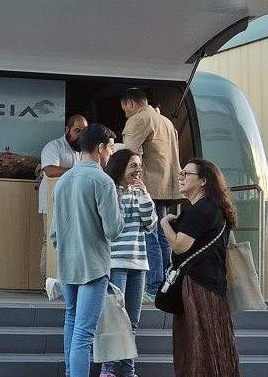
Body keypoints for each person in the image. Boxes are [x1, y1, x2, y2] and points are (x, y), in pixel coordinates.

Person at [50, 123, 124, 377]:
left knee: (71, 323)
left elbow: (54, 233)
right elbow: (113, 229)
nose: (111, 154)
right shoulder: (103, 181)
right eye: (111, 148)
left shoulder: (63, 181)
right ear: (100, 147)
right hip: (93, 265)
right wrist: (121, 208)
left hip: (68, 264)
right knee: (84, 332)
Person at [160, 159, 241, 376]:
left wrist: (164, 224)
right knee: (214, 344)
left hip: (195, 286)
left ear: (203, 180)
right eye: (181, 174)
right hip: (213, 285)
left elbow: (179, 246)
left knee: (194, 345)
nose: (181, 177)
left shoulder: (199, 210)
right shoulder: (218, 210)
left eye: (187, 174)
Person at [119, 88, 182, 298]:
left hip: (146, 187)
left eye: (124, 108)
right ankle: (165, 284)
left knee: (149, 237)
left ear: (129, 103)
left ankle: (154, 287)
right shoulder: (166, 121)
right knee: (163, 237)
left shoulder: (139, 119)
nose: (125, 113)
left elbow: (129, 153)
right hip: (167, 186)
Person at [99, 149, 156, 377]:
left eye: (139, 165)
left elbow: (151, 225)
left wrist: (144, 195)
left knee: (132, 321)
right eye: (134, 165)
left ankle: (128, 370)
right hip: (115, 262)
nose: (138, 170)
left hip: (138, 264)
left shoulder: (140, 192)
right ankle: (107, 370)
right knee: (114, 318)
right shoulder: (109, 190)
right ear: (122, 166)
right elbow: (114, 224)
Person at [39, 114, 88, 279]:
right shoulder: (53, 146)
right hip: (52, 203)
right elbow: (50, 170)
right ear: (67, 130)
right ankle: (49, 282)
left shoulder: (85, 150)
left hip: (76, 203)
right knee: (51, 242)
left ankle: (68, 279)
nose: (81, 135)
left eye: (84, 131)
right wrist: (76, 172)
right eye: (77, 131)